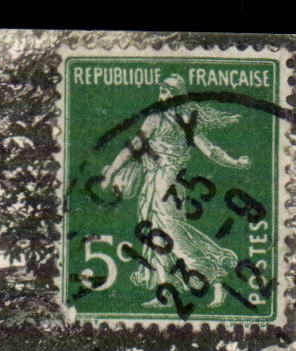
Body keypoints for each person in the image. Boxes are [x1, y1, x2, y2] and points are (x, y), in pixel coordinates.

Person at [98, 74, 249, 307]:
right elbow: (208, 150)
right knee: (155, 234)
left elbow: (209, 150)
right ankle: (165, 292)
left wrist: (110, 173)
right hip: (163, 183)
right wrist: (235, 162)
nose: (164, 96)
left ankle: (216, 275)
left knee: (173, 235)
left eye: (169, 92)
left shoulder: (160, 118)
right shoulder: (174, 119)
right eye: (162, 90)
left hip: (165, 182)